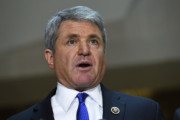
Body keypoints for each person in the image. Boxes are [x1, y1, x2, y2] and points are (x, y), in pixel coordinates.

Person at [7, 6, 165, 120]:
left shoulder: (146, 112)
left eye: (94, 42)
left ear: (104, 55)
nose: (84, 50)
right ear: (51, 58)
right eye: (71, 42)